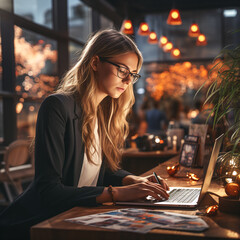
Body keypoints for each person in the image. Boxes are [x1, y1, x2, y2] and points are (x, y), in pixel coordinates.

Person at [0, 29, 169, 240]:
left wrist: (132, 179)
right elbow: (48, 191)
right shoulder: (57, 106)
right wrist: (117, 193)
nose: (127, 81)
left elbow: (97, 173)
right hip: (37, 224)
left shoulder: (103, 114)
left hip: (75, 218)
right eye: (122, 70)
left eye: (133, 75)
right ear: (95, 63)